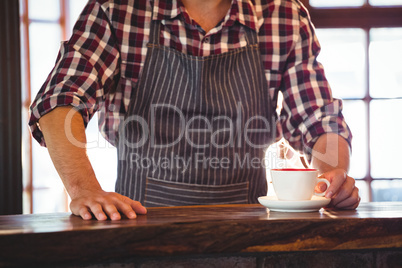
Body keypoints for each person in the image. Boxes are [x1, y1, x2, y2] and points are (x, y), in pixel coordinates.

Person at [29, 0, 360, 221]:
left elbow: (319, 119)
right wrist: (83, 188)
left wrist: (332, 177)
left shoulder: (283, 14)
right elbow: (62, 98)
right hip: (137, 231)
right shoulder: (118, 10)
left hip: (247, 238)